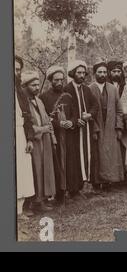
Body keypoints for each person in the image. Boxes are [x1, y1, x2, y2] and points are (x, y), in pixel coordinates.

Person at [22, 71, 56, 212]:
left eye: (37, 84)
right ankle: (32, 202)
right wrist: (42, 129)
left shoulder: (39, 101)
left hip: (44, 141)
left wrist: (52, 137)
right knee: (34, 170)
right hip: (32, 141)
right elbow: (27, 124)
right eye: (33, 85)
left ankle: (42, 199)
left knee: (44, 169)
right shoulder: (23, 102)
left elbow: (47, 120)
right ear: (25, 86)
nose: (36, 87)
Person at [63, 60, 98, 199]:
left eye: (83, 73)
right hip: (72, 131)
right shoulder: (67, 89)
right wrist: (75, 119)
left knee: (84, 155)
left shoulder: (86, 89)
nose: (82, 75)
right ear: (73, 73)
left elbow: (95, 105)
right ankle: (73, 189)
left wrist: (89, 114)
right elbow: (65, 108)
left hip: (85, 130)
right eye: (79, 72)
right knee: (73, 158)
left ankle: (81, 186)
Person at [89, 61, 124, 191]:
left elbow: (119, 110)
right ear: (95, 74)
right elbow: (88, 110)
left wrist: (119, 127)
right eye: (100, 72)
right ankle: (97, 183)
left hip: (111, 127)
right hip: (97, 127)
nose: (102, 75)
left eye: (104, 72)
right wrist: (94, 129)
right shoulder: (89, 89)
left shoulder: (112, 88)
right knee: (97, 155)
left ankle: (110, 182)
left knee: (111, 154)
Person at [40, 65, 72, 205]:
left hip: (69, 135)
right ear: (50, 80)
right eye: (56, 80)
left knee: (68, 162)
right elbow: (45, 117)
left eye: (61, 80)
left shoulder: (68, 95)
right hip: (53, 136)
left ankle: (67, 190)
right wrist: (59, 124)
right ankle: (57, 193)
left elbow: (74, 112)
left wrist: (70, 122)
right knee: (56, 163)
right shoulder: (44, 97)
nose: (59, 83)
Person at [14, 55, 35, 218]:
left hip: (20, 134)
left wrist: (29, 138)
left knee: (21, 170)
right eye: (14, 69)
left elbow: (27, 117)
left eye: (18, 69)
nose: (16, 72)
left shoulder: (20, 92)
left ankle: (19, 209)